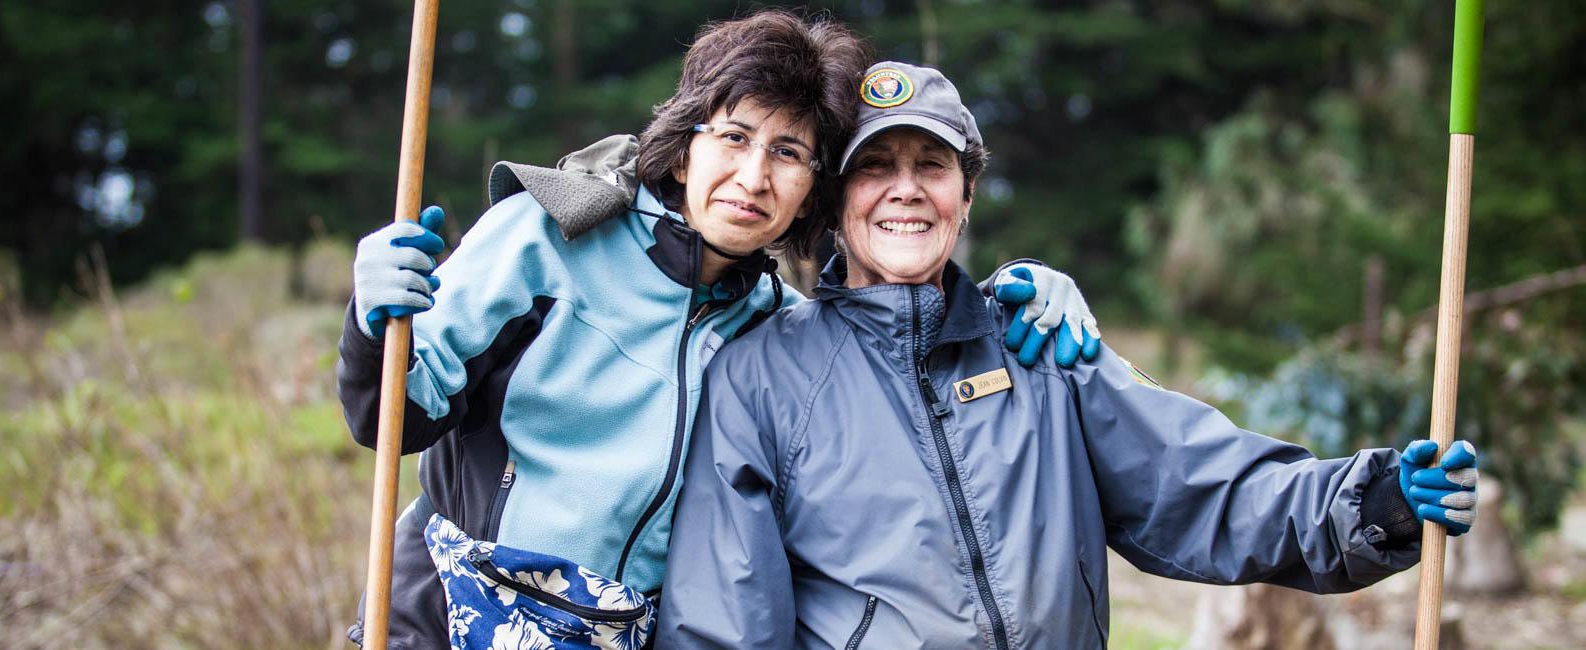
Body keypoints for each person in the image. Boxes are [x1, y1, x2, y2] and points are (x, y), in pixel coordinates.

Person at [654, 61, 1480, 649]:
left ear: (965, 196)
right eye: (875, 168)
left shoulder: (1044, 349)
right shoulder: (760, 378)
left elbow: (1207, 487)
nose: (905, 188)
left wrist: (1373, 500)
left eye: (931, 166)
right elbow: (727, 621)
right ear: (835, 203)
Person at [337, 16, 1097, 649]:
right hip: (447, 613)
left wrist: (1012, 301)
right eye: (734, 137)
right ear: (686, 142)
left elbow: (909, 351)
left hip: (619, 634)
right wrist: (375, 320)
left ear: (812, 197)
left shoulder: (785, 335)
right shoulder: (546, 233)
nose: (754, 176)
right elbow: (394, 415)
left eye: (789, 154)